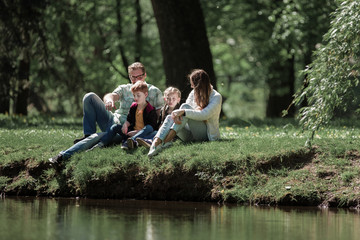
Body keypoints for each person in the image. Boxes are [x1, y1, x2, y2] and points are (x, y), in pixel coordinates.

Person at [49, 62, 163, 164]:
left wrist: (142, 132)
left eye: (140, 76)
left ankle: (63, 156)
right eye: (133, 77)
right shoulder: (125, 88)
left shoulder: (154, 91)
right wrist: (109, 100)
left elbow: (158, 116)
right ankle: (87, 134)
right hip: (111, 120)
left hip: (123, 131)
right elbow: (111, 95)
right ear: (129, 76)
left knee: (97, 137)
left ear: (145, 75)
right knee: (89, 97)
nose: (137, 80)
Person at [147, 69, 222, 157]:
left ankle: (165, 142)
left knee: (184, 108)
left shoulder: (216, 97)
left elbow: (204, 114)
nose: (191, 86)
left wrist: (183, 112)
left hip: (206, 135)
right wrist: (180, 113)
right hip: (190, 134)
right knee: (169, 117)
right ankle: (155, 143)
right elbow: (187, 110)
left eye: (192, 84)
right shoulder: (193, 92)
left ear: (199, 84)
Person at [91, 81, 158, 150]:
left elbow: (151, 126)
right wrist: (125, 125)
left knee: (150, 129)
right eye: (134, 95)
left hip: (143, 133)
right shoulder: (134, 107)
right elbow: (129, 119)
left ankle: (131, 140)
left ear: (146, 94)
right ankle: (101, 143)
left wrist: (137, 132)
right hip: (131, 132)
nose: (136, 98)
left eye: (138, 95)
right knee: (114, 127)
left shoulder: (150, 109)